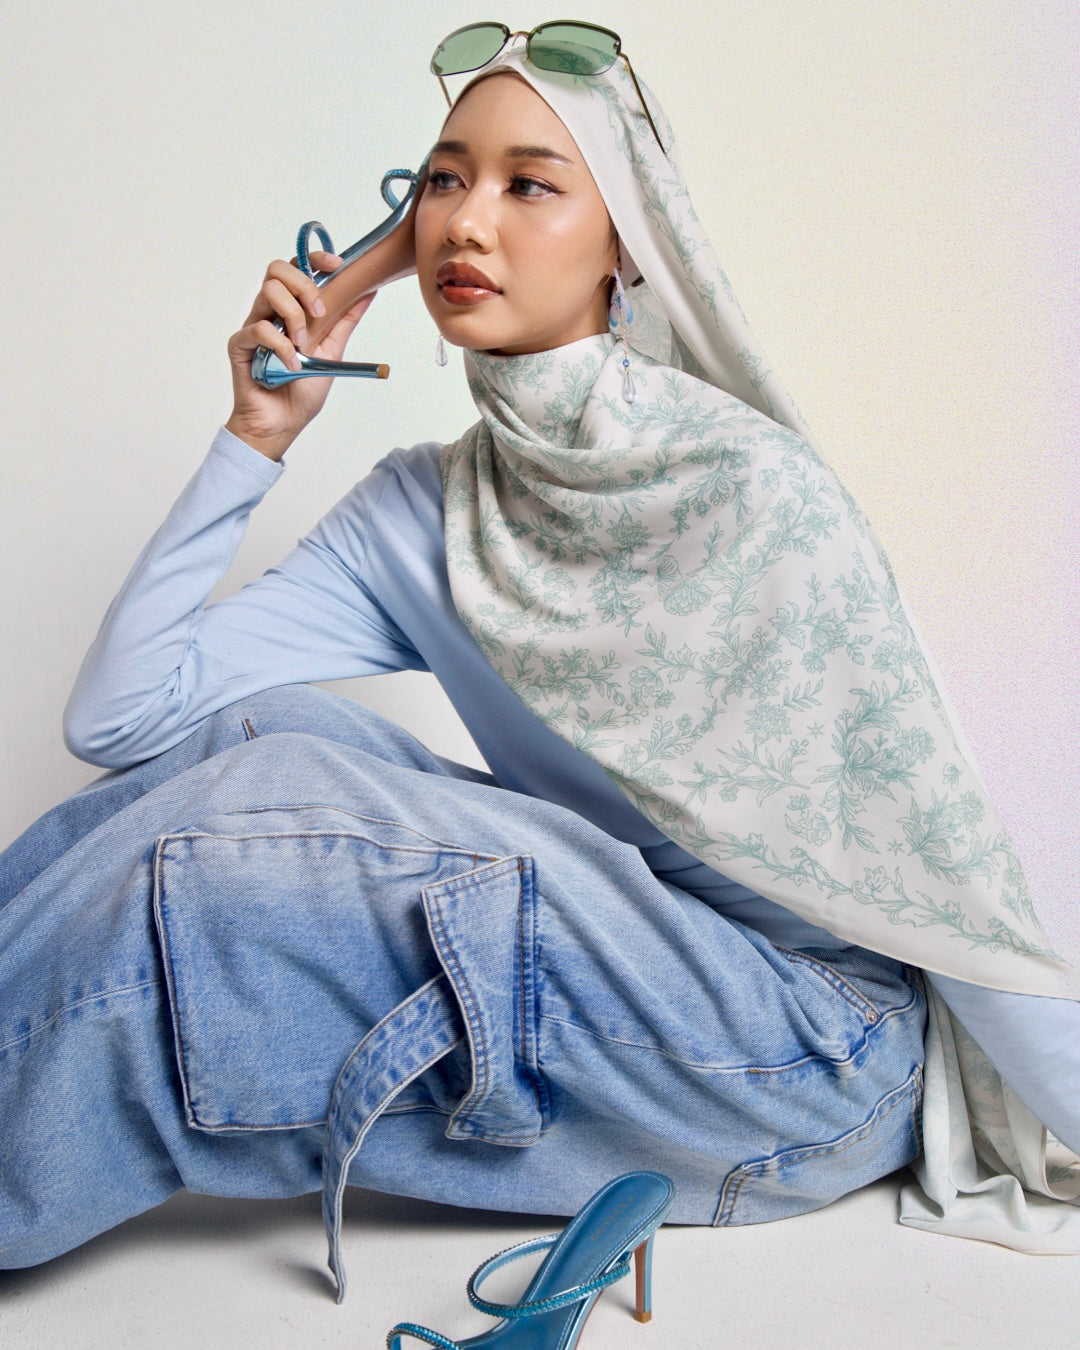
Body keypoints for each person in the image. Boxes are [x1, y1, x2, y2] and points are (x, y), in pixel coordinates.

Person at [1, 24, 1077, 1305]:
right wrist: (255, 435)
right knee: (256, 736)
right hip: (636, 969)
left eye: (530, 185)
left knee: (276, 812)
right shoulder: (426, 512)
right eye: (442, 181)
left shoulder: (750, 489)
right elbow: (127, 718)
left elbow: (946, 873)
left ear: (625, 243)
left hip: (815, 1052)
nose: (468, 222)